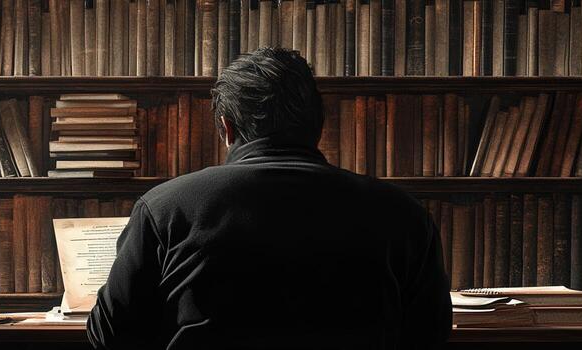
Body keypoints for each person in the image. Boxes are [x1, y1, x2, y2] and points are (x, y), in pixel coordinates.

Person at [86, 47, 452, 350]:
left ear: (227, 128)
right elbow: (430, 335)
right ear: (318, 126)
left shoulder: (165, 207)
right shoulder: (402, 213)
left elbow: (110, 335)